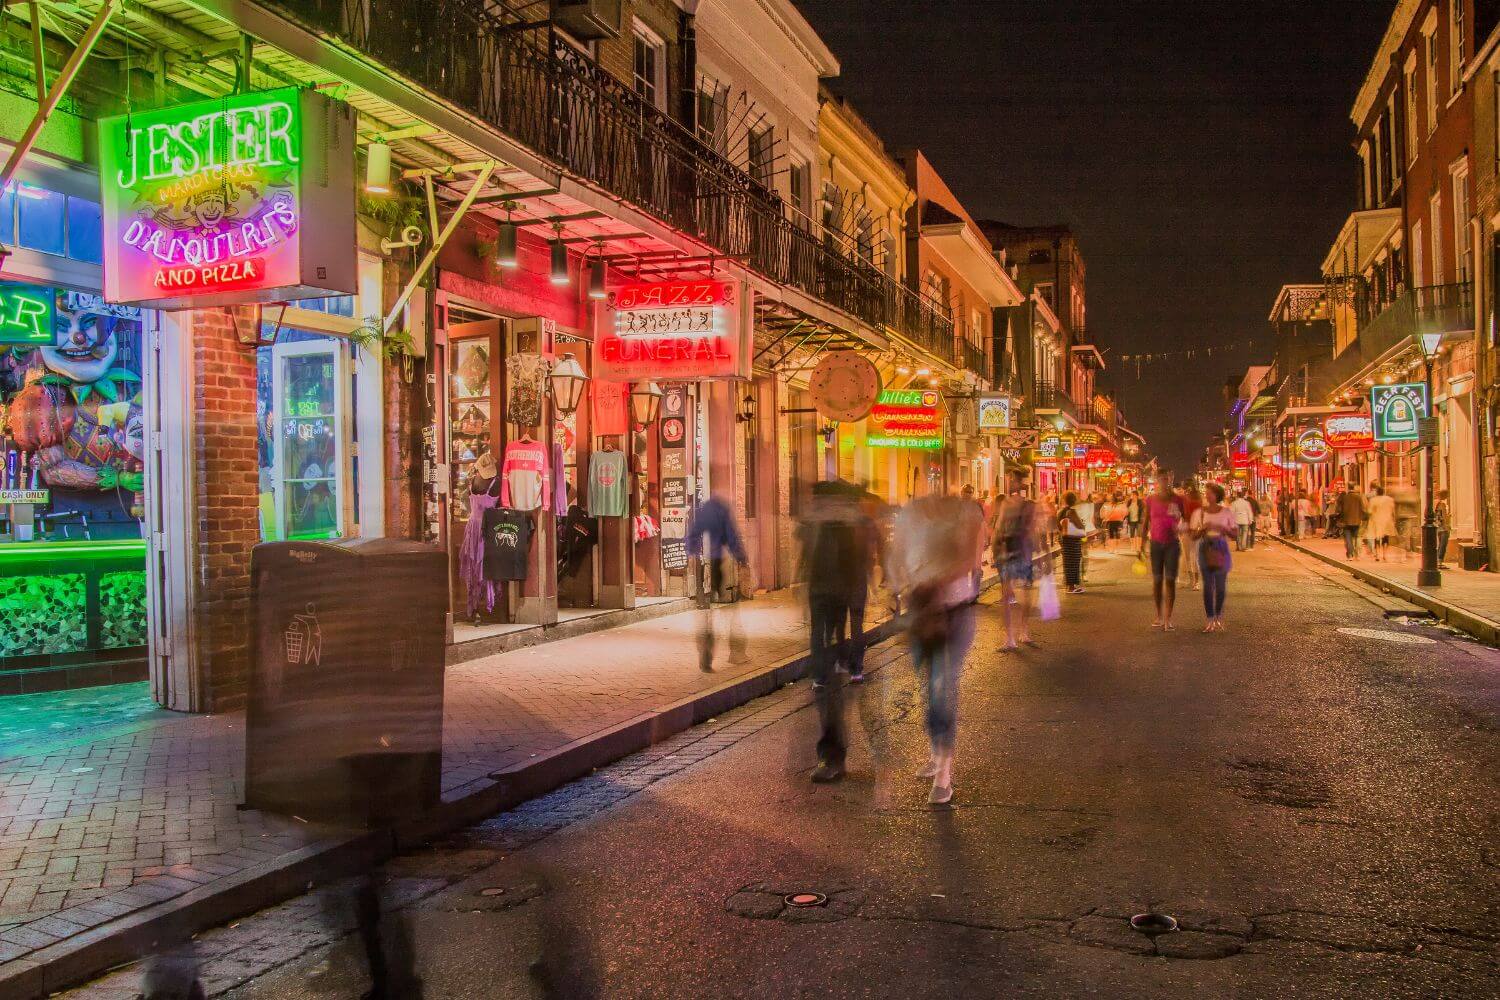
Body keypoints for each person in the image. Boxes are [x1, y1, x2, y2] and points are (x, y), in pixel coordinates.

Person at [889, 494, 984, 806]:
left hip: (955, 612)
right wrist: (898, 587)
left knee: (943, 683)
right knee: (929, 685)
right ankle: (936, 747)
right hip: (921, 611)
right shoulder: (910, 513)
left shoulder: (967, 512)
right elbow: (897, 556)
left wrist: (933, 581)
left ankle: (945, 769)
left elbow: (971, 559)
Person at [797, 480, 876, 783]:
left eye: (821, 499)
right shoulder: (820, 524)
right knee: (824, 676)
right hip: (823, 606)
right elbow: (809, 564)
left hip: (834, 604)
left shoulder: (844, 526)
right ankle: (832, 753)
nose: (817, 504)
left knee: (828, 684)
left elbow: (854, 569)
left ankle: (833, 755)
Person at [685, 493, 749, 672]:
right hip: (719, 564)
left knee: (707, 612)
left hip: (703, 565)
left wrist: (692, 553)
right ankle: (736, 652)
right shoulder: (722, 511)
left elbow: (692, 534)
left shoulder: (704, 511)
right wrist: (742, 558)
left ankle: (706, 655)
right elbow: (732, 538)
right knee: (729, 610)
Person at [991, 470, 1040, 650]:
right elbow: (999, 527)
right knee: (1007, 594)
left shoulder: (1028, 505)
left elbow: (1031, 528)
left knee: (1024, 594)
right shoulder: (1005, 503)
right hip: (1009, 551)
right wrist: (995, 547)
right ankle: (1011, 636)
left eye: (1012, 480)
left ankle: (1022, 631)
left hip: (1020, 551)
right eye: (1009, 479)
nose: (1010, 482)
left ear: (1019, 483)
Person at [1140, 475, 1184, 630]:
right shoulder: (1151, 500)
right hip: (1156, 544)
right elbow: (1146, 521)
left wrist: (1181, 528)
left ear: (1170, 481)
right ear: (1157, 482)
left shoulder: (1178, 500)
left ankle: (1168, 618)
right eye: (1161, 480)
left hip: (1172, 544)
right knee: (1157, 580)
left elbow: (1187, 520)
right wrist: (1141, 544)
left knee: (1170, 580)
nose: (1164, 483)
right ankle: (1159, 615)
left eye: (1166, 480)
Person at [1192, 483, 1237, 632]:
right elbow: (1193, 536)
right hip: (1205, 548)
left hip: (1221, 548)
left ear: (1217, 495)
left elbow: (1235, 535)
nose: (1207, 495)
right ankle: (1210, 618)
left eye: (1210, 493)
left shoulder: (1226, 512)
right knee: (1208, 586)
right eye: (1206, 493)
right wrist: (1202, 529)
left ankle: (1218, 615)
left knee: (1221, 586)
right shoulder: (1200, 512)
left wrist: (1224, 529)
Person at [1056, 491, 1087, 594]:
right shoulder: (1071, 512)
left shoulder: (1060, 512)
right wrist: (1081, 524)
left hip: (1064, 540)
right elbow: (1080, 526)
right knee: (1073, 562)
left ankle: (1069, 586)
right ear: (1073, 501)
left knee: (1067, 562)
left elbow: (1058, 527)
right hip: (1072, 540)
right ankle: (1071, 587)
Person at [1178, 483, 1203, 591]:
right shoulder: (1199, 505)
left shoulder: (1186, 503)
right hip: (1196, 532)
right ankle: (1195, 582)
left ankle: (1190, 580)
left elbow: (1181, 518)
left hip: (1187, 532)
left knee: (1187, 558)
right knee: (1194, 558)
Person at [1365, 482, 1397, 562]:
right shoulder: (1390, 499)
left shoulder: (1373, 500)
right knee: (1386, 538)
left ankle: (1377, 555)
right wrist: (1393, 519)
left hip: (1377, 521)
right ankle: (1384, 554)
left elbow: (1369, 511)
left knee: (1377, 538)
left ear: (1377, 492)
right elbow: (1393, 511)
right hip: (1387, 521)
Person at [1337, 483, 1366, 560]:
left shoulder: (1345, 497)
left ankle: (1350, 555)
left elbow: (1339, 510)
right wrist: (1362, 518)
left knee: (1348, 538)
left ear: (1348, 487)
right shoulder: (1359, 497)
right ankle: (1357, 555)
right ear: (1354, 487)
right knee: (1357, 538)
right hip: (1357, 521)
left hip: (1346, 521)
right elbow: (1363, 509)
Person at [1436, 489, 1452, 567]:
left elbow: (1438, 516)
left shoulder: (1437, 504)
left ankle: (1438, 561)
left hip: (1439, 528)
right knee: (1443, 545)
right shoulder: (1442, 504)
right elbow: (1444, 516)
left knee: (1440, 545)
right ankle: (1439, 562)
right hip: (1444, 528)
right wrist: (1447, 526)